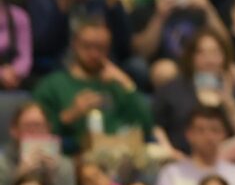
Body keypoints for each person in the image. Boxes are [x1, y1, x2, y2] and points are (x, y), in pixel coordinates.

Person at [33, 20, 151, 150]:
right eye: (87, 46)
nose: (94, 54)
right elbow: (34, 135)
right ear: (74, 45)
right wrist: (70, 115)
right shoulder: (52, 85)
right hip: (73, 157)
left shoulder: (117, 84)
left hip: (118, 154)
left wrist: (127, 84)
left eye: (101, 48)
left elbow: (147, 128)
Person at [152, 29, 235, 155]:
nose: (209, 60)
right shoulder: (172, 90)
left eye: (215, 53)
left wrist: (229, 105)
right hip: (179, 159)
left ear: (224, 57)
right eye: (202, 53)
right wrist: (169, 152)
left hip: (225, 163)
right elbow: (155, 126)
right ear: (191, 57)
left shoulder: (234, 91)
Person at [0, 102, 78, 185]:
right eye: (28, 126)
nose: (34, 132)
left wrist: (52, 182)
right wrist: (17, 178)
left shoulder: (63, 166)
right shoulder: (2, 164)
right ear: (14, 131)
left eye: (39, 126)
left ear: (48, 129)